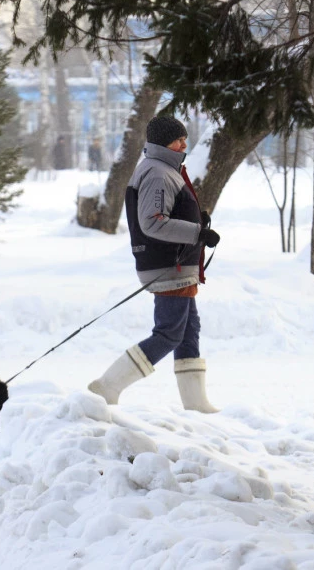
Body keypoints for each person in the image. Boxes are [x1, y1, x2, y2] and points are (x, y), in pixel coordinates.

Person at [88, 116, 221, 413]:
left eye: (184, 138)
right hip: (168, 265)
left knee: (188, 330)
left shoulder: (164, 169)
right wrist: (197, 232)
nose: (184, 144)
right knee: (169, 333)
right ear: (162, 142)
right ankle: (107, 386)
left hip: (175, 264)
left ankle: (196, 403)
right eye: (178, 139)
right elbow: (153, 222)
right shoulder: (158, 172)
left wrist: (197, 220)